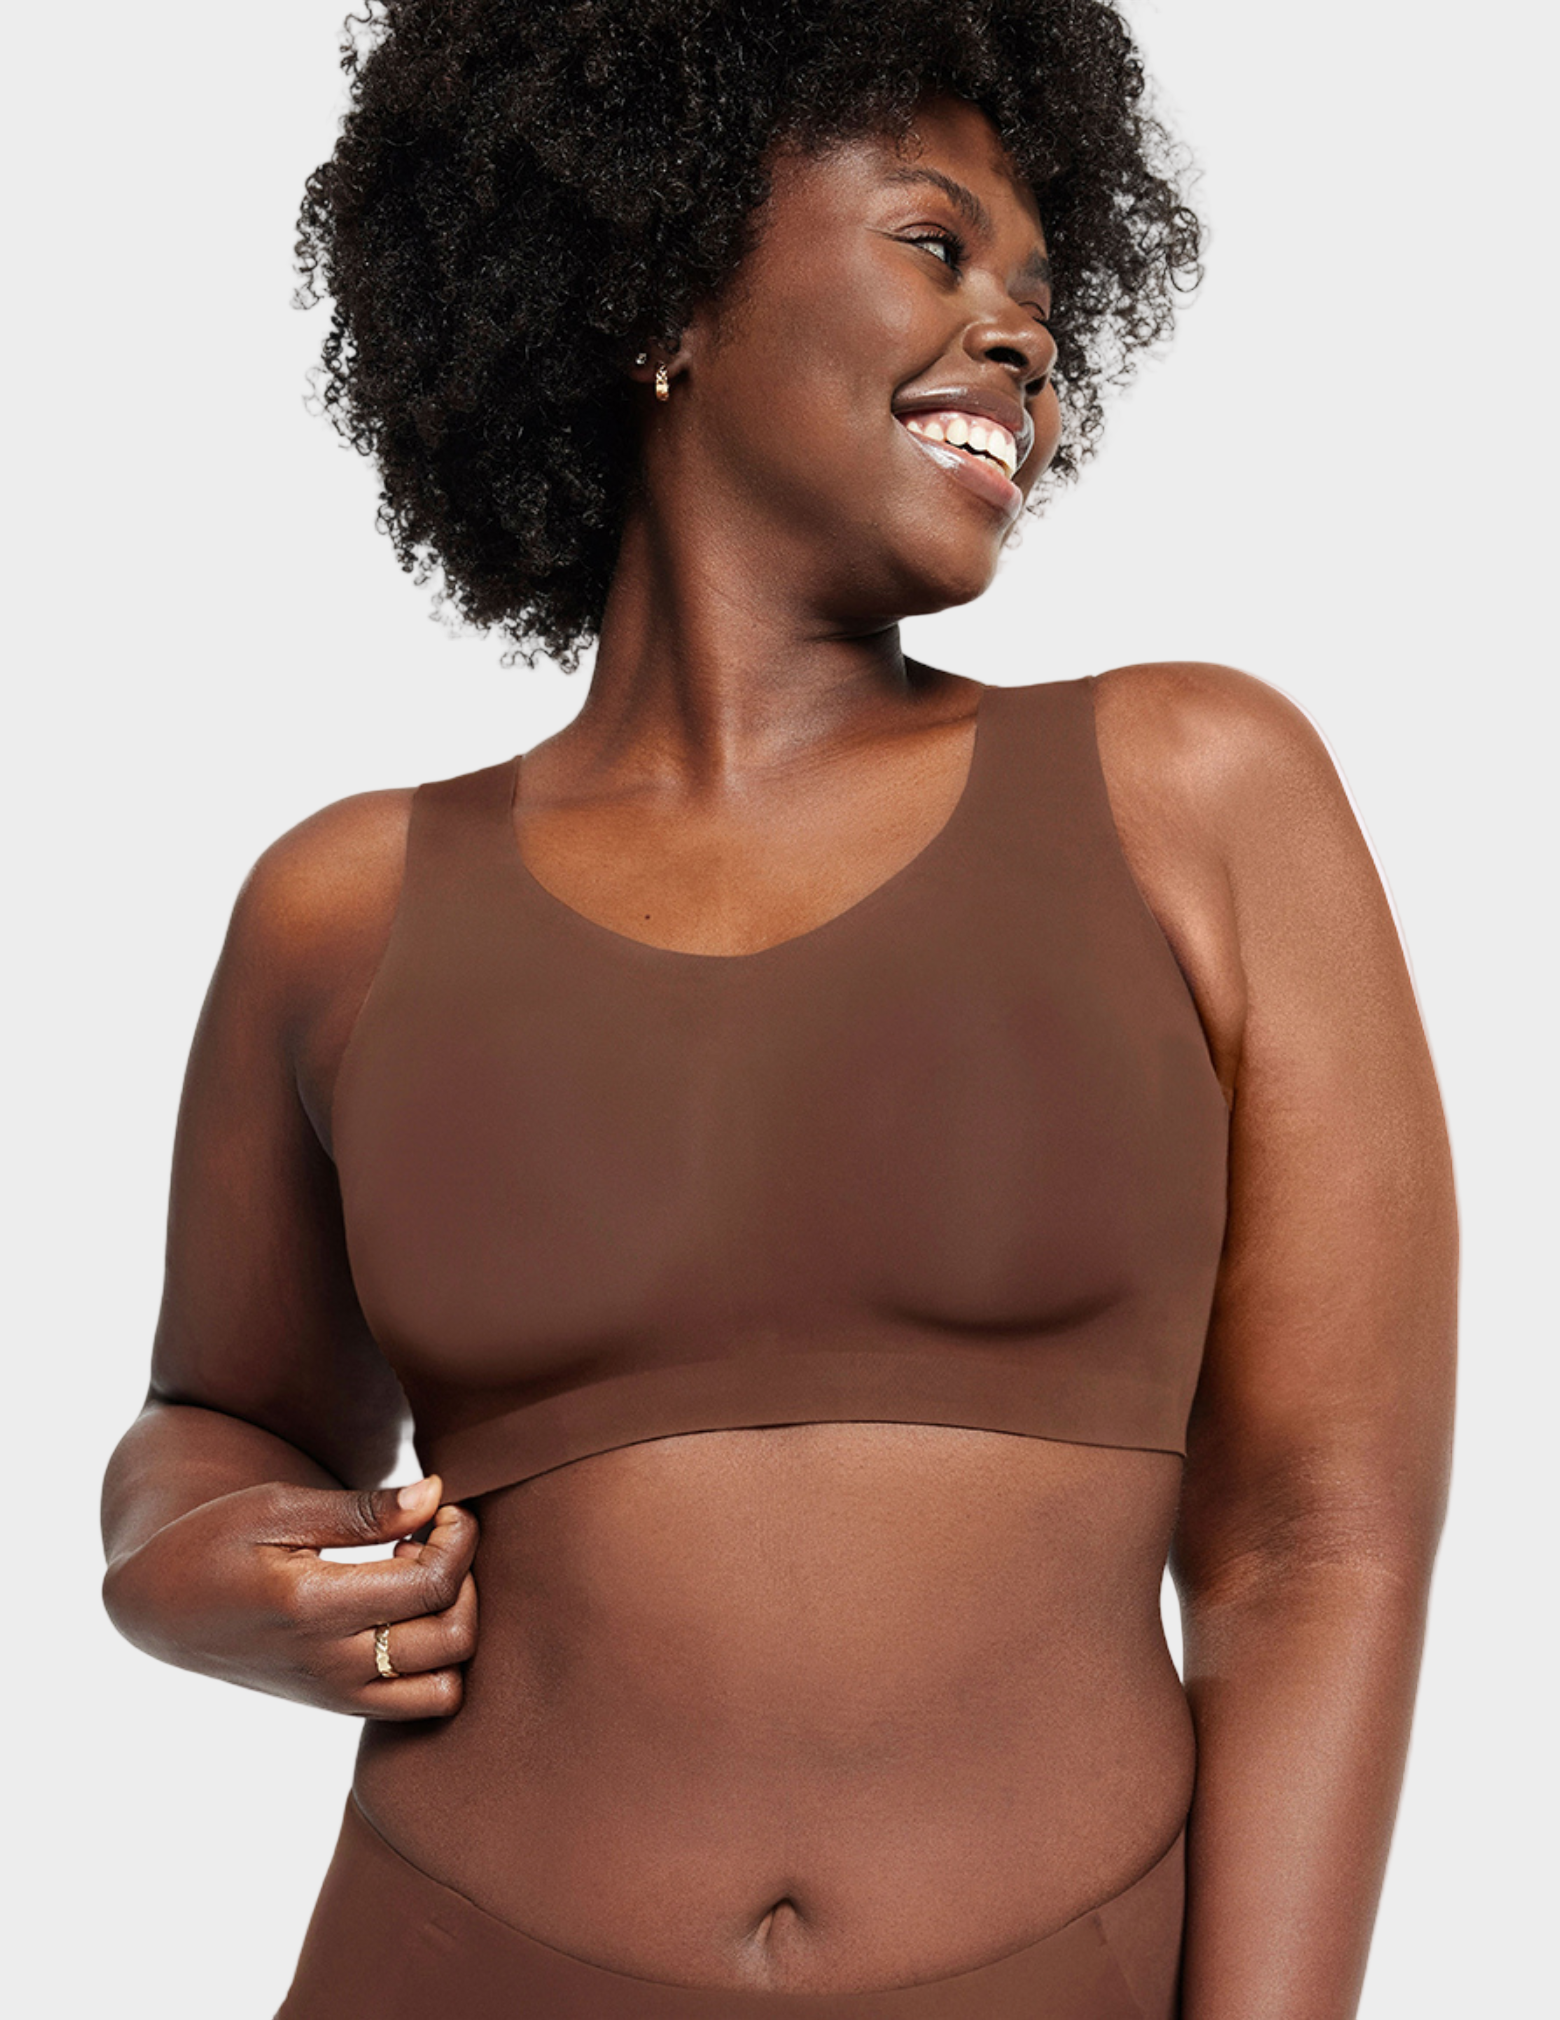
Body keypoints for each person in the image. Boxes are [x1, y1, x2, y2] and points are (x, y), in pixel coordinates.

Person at [99, 2, 1457, 2014]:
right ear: (658, 289)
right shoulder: (344, 910)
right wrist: (181, 1571)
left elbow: (1315, 1538)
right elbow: (218, 1418)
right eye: (936, 242)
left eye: (1043, 293)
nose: (1023, 335)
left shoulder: (1196, 793)